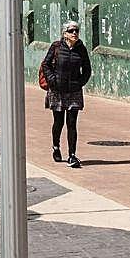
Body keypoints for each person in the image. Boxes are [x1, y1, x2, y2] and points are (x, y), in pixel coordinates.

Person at [41, 21, 91, 168]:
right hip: (57, 91)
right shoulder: (56, 47)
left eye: (76, 30)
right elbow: (46, 64)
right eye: (71, 31)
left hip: (74, 91)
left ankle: (72, 155)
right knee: (59, 122)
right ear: (65, 34)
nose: (74, 33)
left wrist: (80, 82)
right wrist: (52, 81)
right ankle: (56, 147)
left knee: (72, 123)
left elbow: (87, 68)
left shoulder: (81, 48)